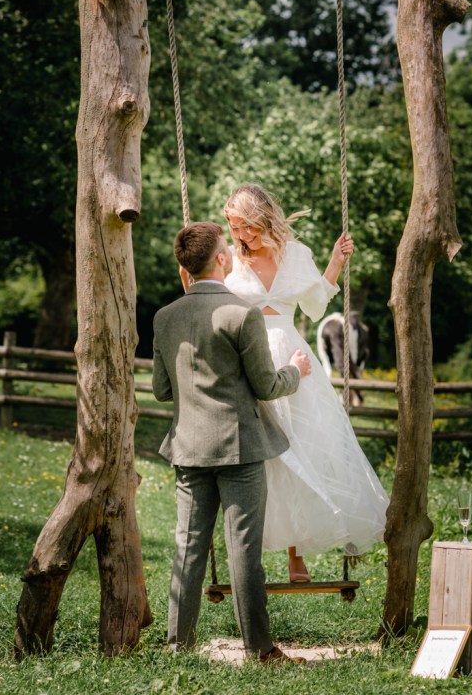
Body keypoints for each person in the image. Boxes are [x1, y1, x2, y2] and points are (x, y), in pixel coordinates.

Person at [152, 220, 312, 663]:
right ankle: (259, 650)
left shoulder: (165, 317)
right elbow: (266, 385)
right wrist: (296, 370)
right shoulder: (242, 314)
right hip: (239, 448)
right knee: (243, 552)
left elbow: (162, 390)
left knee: (188, 549)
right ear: (221, 259)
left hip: (188, 448)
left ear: (185, 267)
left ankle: (177, 648)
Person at [223, 184, 389, 585]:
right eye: (234, 227)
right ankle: (248, 555)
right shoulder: (229, 259)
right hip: (248, 357)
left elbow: (315, 306)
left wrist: (335, 262)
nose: (241, 235)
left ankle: (296, 557)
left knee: (299, 448)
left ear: (263, 219)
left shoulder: (296, 255)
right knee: (260, 458)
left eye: (246, 226)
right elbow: (211, 304)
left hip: (292, 358)